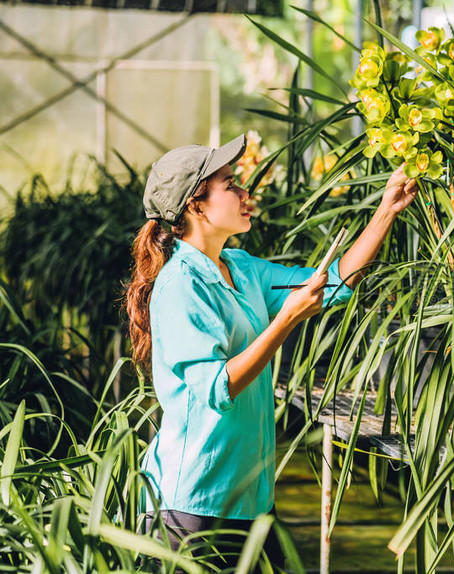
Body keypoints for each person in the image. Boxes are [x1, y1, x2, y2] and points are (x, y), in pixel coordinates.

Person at [124, 134, 417, 569]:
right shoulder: (180, 284)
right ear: (195, 205)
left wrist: (386, 211)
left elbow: (332, 282)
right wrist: (287, 320)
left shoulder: (241, 267)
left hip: (250, 496)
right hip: (195, 503)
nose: (245, 193)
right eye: (229, 184)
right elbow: (218, 386)